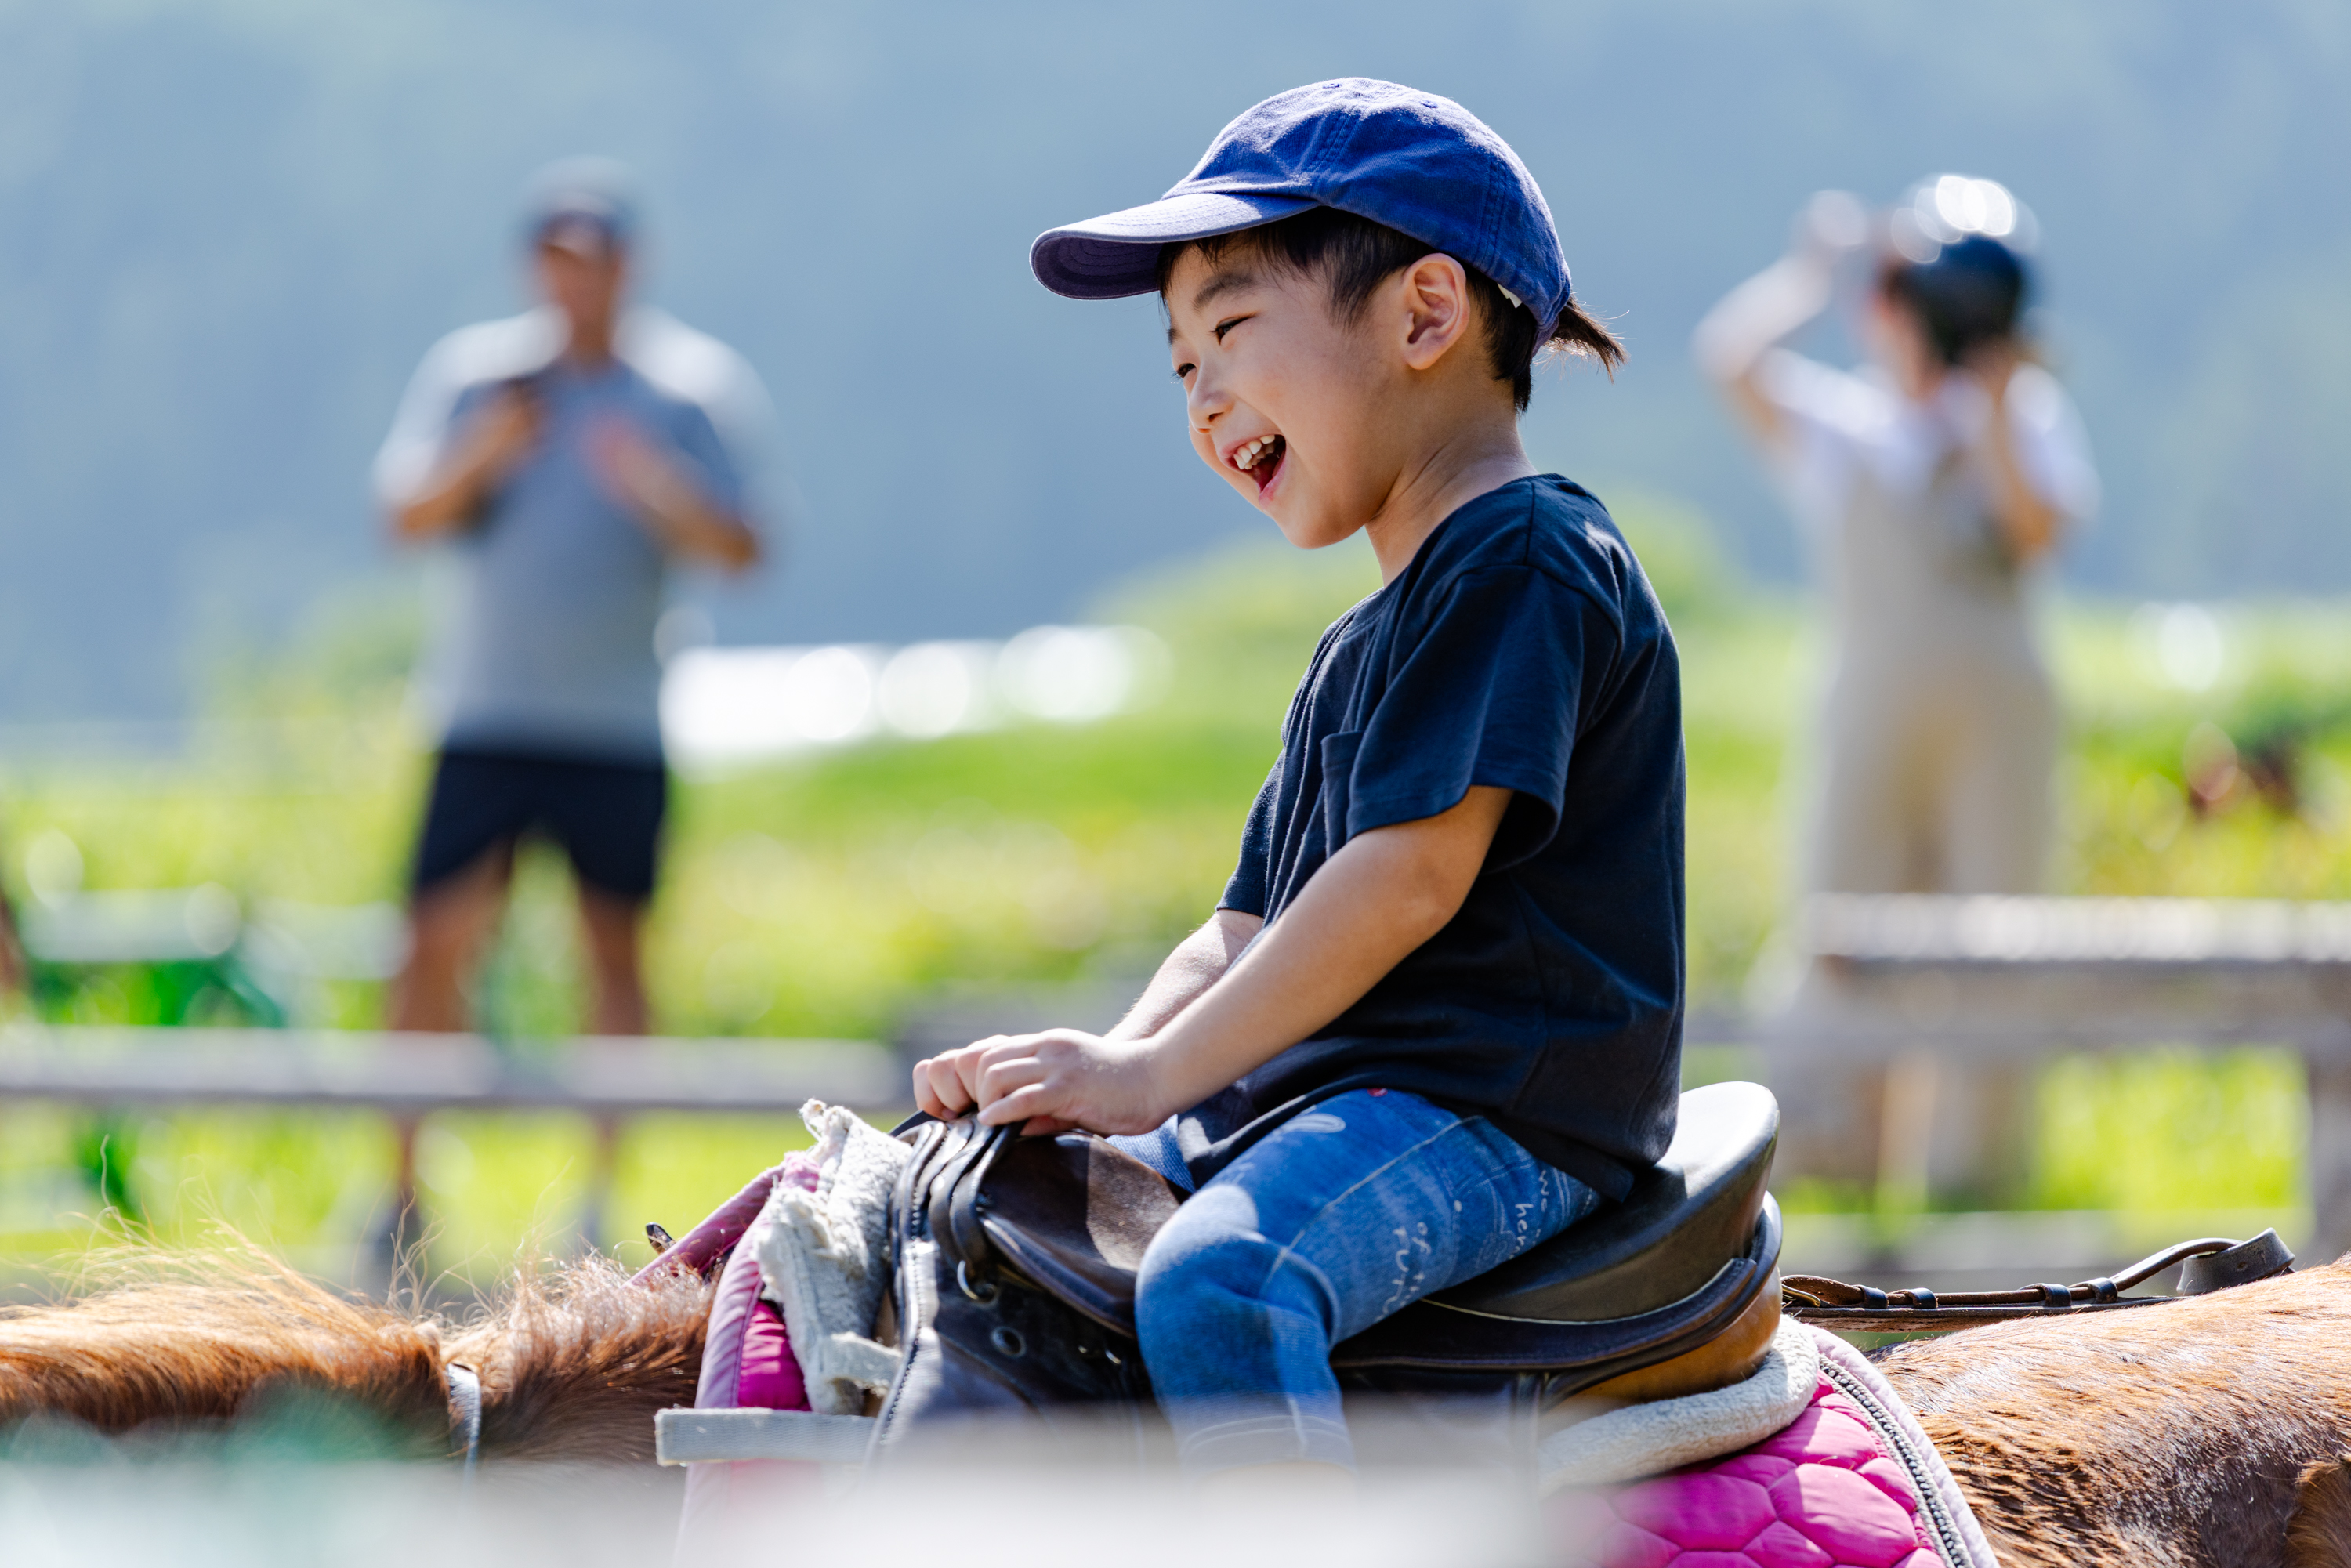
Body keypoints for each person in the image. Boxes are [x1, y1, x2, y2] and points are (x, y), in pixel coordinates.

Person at [911, 79, 1681, 1487]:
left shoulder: (1524, 559)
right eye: (1178, 366)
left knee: (1222, 1283)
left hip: (1499, 1113)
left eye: (1230, 332)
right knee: (978, 1221)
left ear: (1426, 314)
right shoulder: (1358, 644)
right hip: (1343, 1105)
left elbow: (1403, 880)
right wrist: (1095, 1076)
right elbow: (1239, 932)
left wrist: (1151, 1075)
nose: (1201, 397)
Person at [374, 161, 772, 1035]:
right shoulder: (478, 377)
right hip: (485, 712)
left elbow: (747, 547)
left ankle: (604, 1175)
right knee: (433, 939)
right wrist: (487, 451)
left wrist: (659, 489)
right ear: (533, 267)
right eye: (558, 258)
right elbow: (402, 518)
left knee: (615, 951)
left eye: (592, 258)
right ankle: (402, 1174)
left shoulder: (687, 390)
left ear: (629, 265)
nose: (575, 278)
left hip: (616, 722)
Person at [1694, 181, 2100, 896]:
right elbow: (1731, 360)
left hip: (1996, 720)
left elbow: (2037, 535)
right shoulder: (1851, 426)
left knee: (1999, 919)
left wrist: (1995, 412)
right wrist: (1813, 272)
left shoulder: (2027, 418)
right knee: (1845, 916)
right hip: (1873, 710)